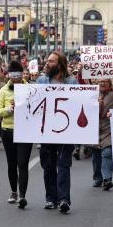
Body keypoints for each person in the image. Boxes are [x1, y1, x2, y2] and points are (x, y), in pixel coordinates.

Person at [36, 52, 78, 213]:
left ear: (60, 64)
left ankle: (63, 199)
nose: (47, 63)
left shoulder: (72, 82)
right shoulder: (41, 81)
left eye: (51, 61)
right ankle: (50, 198)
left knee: (63, 165)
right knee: (49, 165)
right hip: (46, 131)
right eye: (47, 61)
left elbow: (77, 103)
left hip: (66, 132)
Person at [0, 61, 33, 207]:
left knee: (22, 164)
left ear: (22, 75)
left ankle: (23, 195)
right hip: (8, 131)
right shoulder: (4, 90)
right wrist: (9, 110)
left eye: (18, 75)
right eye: (12, 75)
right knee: (12, 163)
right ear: (9, 76)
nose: (15, 78)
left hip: (25, 132)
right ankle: (13, 191)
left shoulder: (30, 88)